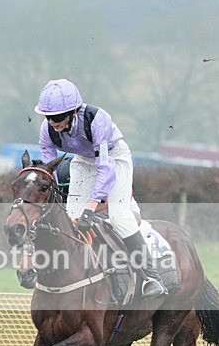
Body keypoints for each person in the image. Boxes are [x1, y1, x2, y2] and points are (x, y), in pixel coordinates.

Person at [35, 79, 166, 298]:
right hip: (82, 160)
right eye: (48, 117)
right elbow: (50, 169)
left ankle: (152, 277)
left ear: (73, 112)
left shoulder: (97, 120)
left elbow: (105, 169)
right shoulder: (46, 130)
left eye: (57, 117)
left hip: (114, 158)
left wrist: (91, 206)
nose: (52, 122)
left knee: (118, 217)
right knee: (71, 219)